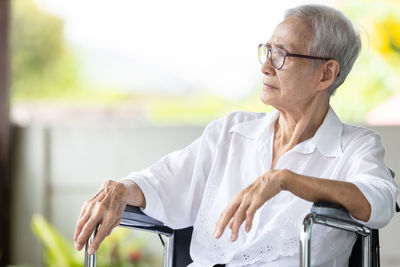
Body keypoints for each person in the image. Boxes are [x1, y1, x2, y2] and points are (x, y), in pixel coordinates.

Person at [74, 4, 398, 267]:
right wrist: (120, 189)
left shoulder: (354, 146)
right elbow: (161, 182)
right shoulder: (232, 132)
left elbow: (380, 201)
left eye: (282, 55)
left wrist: (285, 179)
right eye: (267, 50)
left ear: (326, 73)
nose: (266, 66)